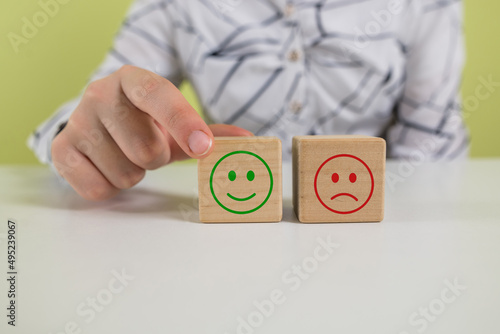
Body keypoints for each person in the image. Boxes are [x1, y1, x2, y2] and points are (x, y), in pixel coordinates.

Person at [28, 0, 469, 201]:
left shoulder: (429, 5)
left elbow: (431, 149)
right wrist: (83, 139)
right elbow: (92, 111)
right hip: (234, 240)